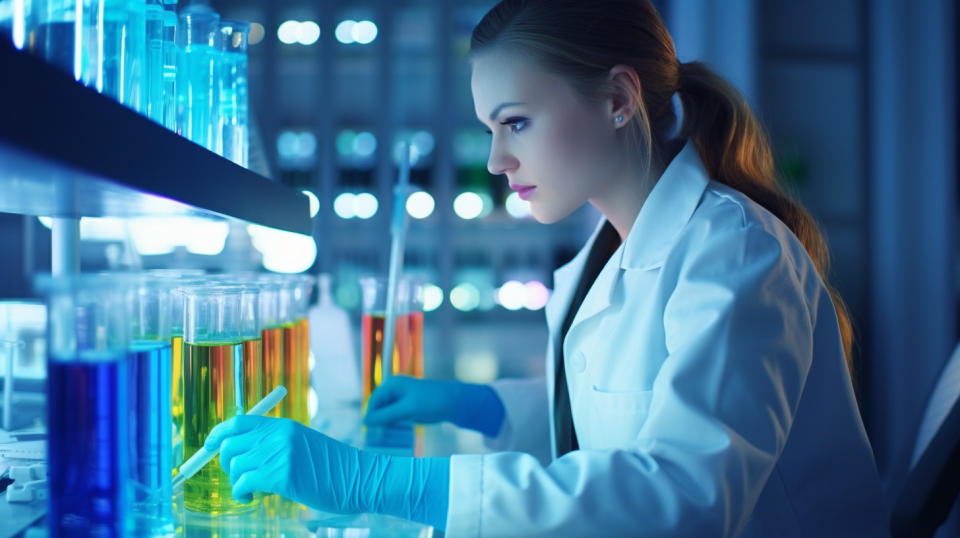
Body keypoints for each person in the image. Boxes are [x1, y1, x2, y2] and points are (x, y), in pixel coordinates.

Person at [203, 1, 890, 535]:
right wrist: (484, 403)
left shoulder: (735, 254)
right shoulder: (609, 250)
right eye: (490, 129)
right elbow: (615, 411)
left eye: (517, 122)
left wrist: (388, 484)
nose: (498, 160)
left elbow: (682, 502)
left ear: (619, 99)